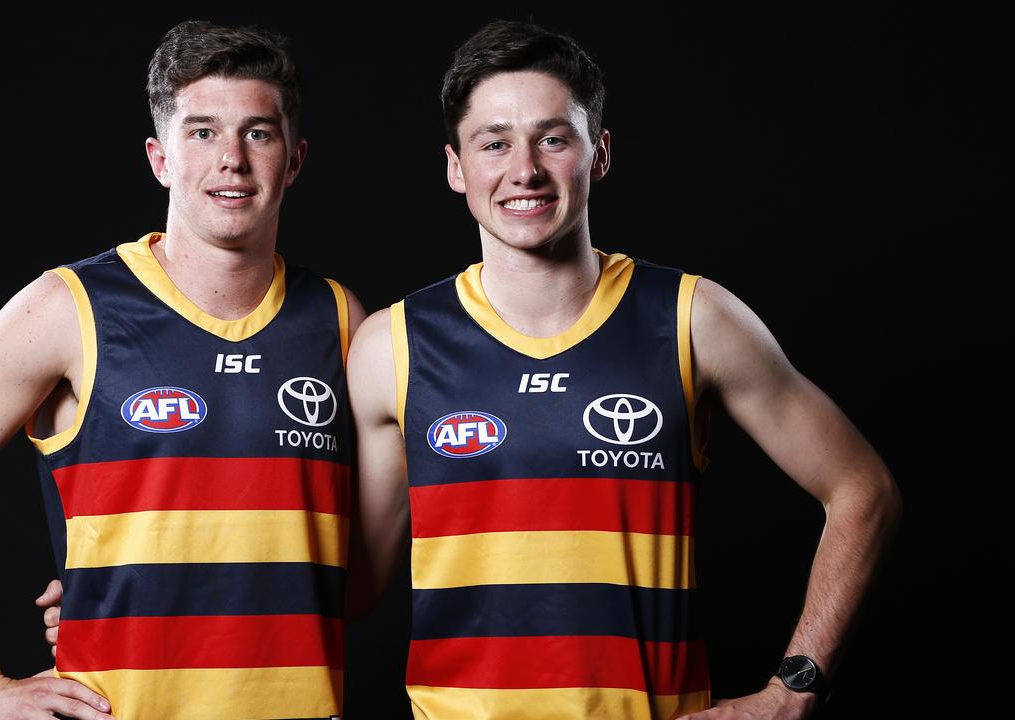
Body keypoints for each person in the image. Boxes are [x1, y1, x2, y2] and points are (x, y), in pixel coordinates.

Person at [340, 20, 902, 720]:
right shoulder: (392, 343)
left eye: (553, 138)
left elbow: (863, 490)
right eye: (494, 143)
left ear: (598, 153)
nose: (524, 170)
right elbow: (352, 588)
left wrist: (795, 689)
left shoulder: (694, 318)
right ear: (457, 167)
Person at [0, 20, 363, 720]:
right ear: (160, 158)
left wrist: (133, 586)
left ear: (295, 158)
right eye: (201, 132)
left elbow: (357, 556)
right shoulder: (69, 309)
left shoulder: (339, 319)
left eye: (258, 132)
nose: (232, 159)